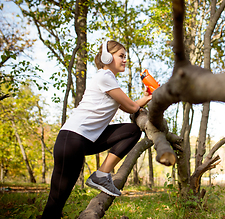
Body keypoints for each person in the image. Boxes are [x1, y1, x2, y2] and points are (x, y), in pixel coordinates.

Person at [41, 40, 152, 219]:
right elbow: (131, 107)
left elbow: (128, 106)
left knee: (132, 131)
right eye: (121, 56)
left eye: (125, 57)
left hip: (85, 140)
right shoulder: (104, 76)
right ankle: (99, 177)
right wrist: (143, 100)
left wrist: (146, 98)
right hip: (72, 138)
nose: (125, 60)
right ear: (107, 57)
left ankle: (101, 174)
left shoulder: (110, 80)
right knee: (57, 199)